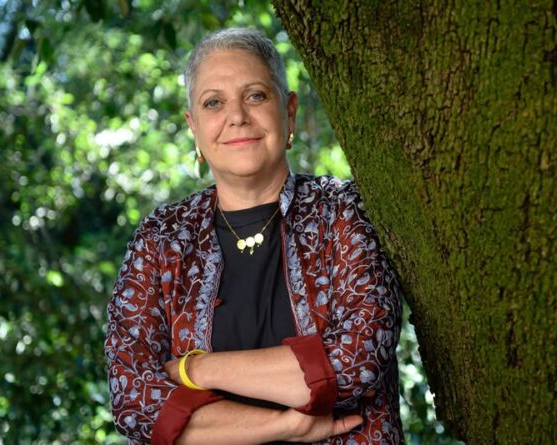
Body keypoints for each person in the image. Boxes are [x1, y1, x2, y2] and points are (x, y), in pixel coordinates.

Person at [104, 27, 403, 445]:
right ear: (194, 127)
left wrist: (196, 369)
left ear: (289, 111)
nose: (237, 116)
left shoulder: (343, 210)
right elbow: (134, 402)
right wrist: (286, 426)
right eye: (214, 102)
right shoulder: (161, 238)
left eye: (256, 96)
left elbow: (357, 362)